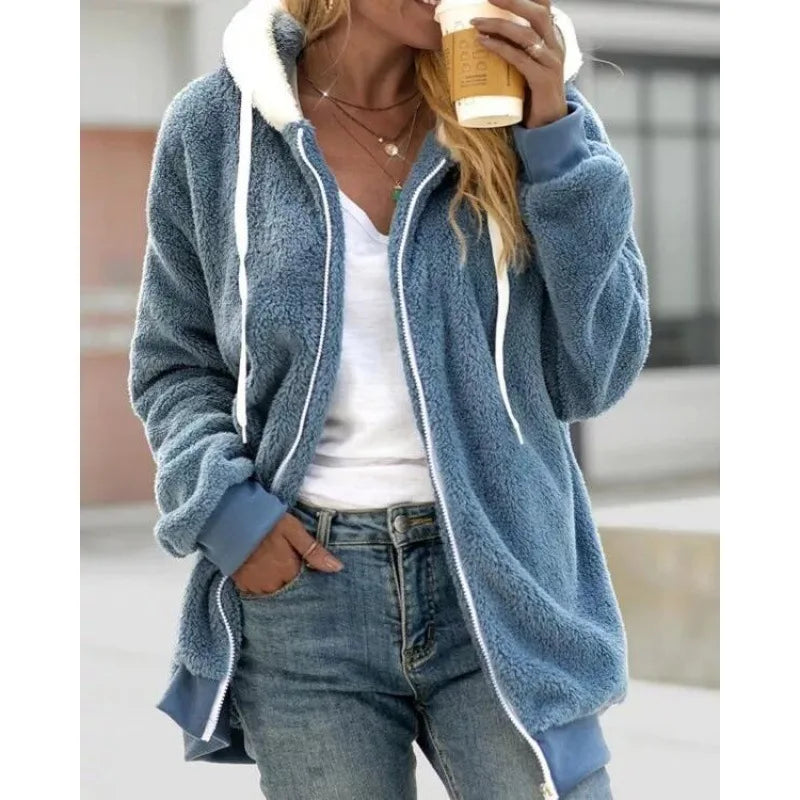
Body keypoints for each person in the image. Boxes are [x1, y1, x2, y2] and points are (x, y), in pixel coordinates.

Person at [128, 0, 651, 797]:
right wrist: (231, 517)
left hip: (501, 578)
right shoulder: (215, 127)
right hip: (306, 593)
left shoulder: (521, 115)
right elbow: (175, 361)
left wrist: (552, 140)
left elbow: (596, 374)